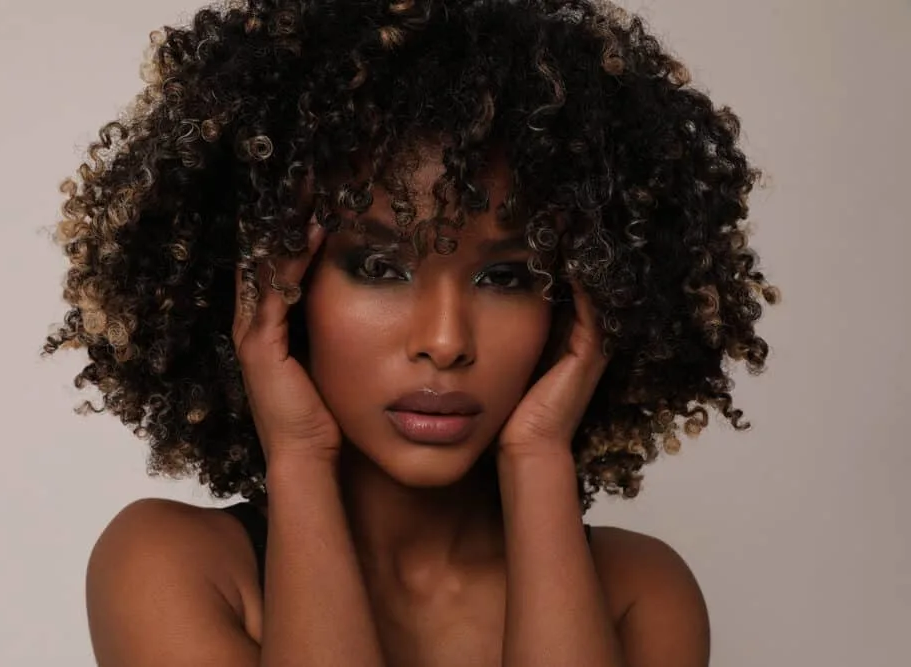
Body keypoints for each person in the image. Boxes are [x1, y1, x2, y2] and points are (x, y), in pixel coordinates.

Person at [43, 1, 778, 665]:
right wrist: (296, 455)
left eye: (508, 278)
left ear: (585, 296)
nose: (447, 340)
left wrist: (538, 458)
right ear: (274, 285)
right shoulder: (174, 567)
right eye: (379, 266)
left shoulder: (639, 592)